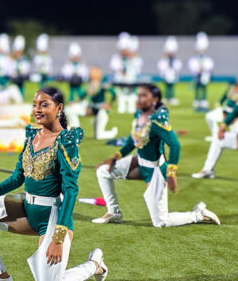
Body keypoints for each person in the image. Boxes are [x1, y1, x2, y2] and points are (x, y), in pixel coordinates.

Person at [0, 87, 107, 281]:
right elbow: (17, 178)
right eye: (35, 105)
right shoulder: (32, 135)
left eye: (44, 105)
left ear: (59, 108)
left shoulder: (66, 142)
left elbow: (71, 191)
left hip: (51, 217)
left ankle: (94, 264)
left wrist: (58, 238)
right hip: (26, 210)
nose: (37, 109)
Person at [93, 84, 221, 227]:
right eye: (139, 95)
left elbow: (175, 145)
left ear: (154, 99)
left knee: (160, 222)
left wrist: (171, 173)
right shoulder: (139, 114)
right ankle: (114, 213)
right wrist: (116, 156)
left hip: (155, 170)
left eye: (144, 95)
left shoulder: (157, 121)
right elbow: (132, 139)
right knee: (103, 171)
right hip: (139, 162)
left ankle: (198, 214)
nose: (139, 99)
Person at [188, 32, 213, 112]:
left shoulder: (207, 59)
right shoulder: (195, 59)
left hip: (204, 74)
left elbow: (210, 65)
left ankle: (203, 100)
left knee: (204, 87)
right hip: (197, 74)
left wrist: (205, 69)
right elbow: (192, 64)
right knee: (197, 86)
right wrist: (197, 70)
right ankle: (197, 99)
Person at [157, 36, 182, 106]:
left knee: (171, 85)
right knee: (167, 85)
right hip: (167, 73)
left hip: (172, 73)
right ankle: (167, 97)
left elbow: (178, 66)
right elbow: (161, 65)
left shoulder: (174, 60)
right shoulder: (165, 60)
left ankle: (172, 97)